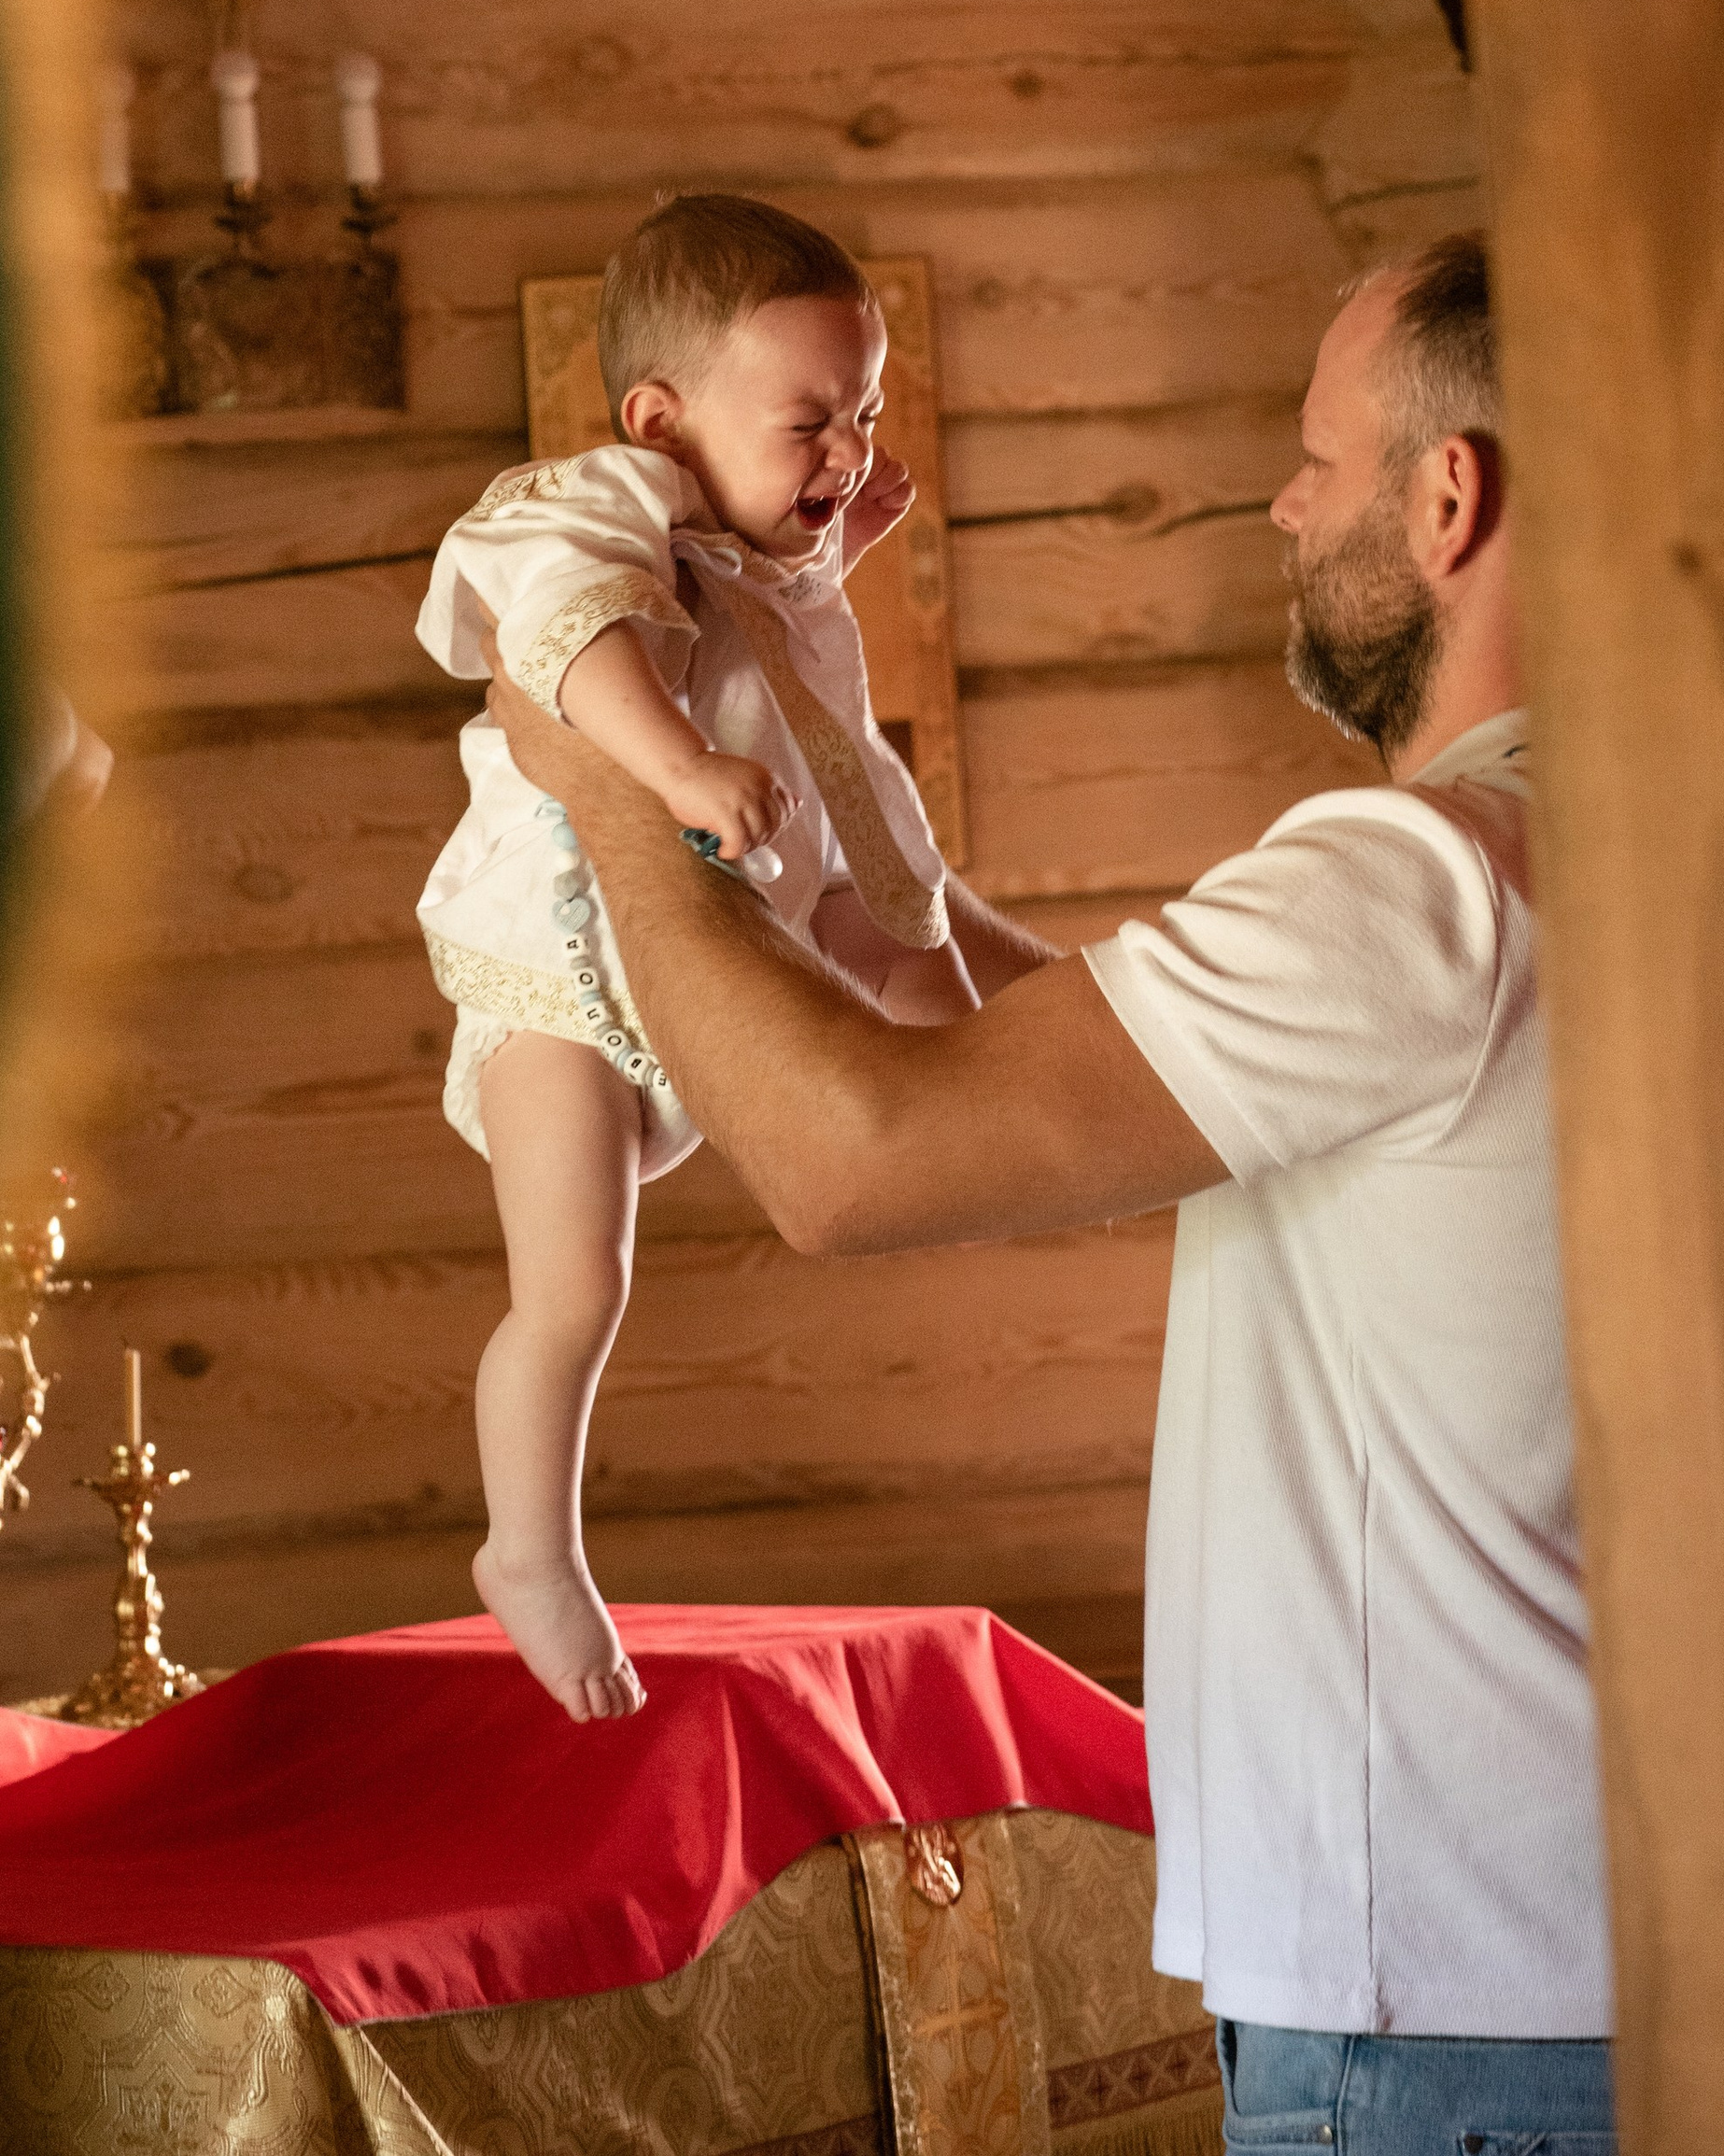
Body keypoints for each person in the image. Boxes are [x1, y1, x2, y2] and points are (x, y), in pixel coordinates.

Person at [485, 232, 1616, 2154]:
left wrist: (603, 788)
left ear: (1448, 498)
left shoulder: (1417, 882)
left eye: (1315, 456)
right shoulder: (1634, 835)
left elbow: (850, 1162)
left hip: (1443, 2001)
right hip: (1581, 1950)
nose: (1277, 500)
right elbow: (1072, 1041)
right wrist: (883, 917)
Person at [416, 194, 972, 1721]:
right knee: (573, 1287)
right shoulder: (597, 499)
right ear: (659, 420)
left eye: (862, 415)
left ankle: (966, 1046)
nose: (848, 453)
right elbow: (571, 637)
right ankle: (526, 1550)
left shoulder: (745, 554)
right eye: (809, 421)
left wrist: (824, 558)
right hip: (548, 965)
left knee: (888, 969)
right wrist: (671, 776)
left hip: (671, 968)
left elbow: (793, 695)